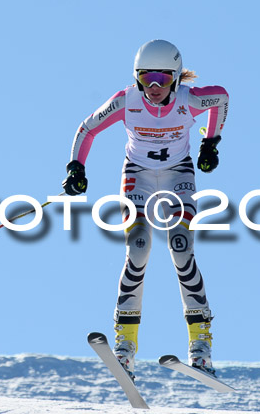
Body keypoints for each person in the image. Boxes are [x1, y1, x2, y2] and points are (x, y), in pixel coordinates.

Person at [62, 39, 229, 380]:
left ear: (177, 78)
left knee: (181, 247)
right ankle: (125, 347)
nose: (154, 87)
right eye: (146, 78)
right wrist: (75, 168)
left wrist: (210, 142)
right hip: (137, 176)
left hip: (177, 175)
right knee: (138, 247)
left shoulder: (189, 101)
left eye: (163, 79)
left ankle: (201, 347)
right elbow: (87, 128)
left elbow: (222, 98)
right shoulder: (127, 100)